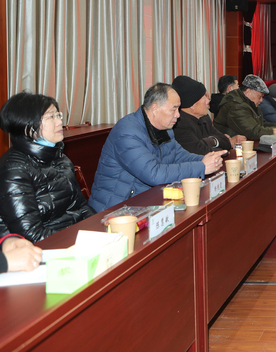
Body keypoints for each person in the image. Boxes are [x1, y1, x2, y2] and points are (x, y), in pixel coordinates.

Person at [90, 83, 225, 212]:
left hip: (146, 202)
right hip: (115, 209)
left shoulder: (165, 128)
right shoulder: (127, 132)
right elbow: (154, 174)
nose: (178, 114)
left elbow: (179, 155)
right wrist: (201, 167)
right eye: (174, 109)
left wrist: (207, 159)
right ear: (155, 108)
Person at [0, 92, 96, 242]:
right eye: (51, 117)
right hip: (45, 248)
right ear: (27, 127)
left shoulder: (61, 158)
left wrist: (99, 228)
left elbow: (82, 207)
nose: (59, 122)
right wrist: (80, 239)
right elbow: (32, 235)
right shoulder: (13, 170)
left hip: (73, 238)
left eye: (58, 115)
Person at [172, 75, 246, 155]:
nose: (208, 101)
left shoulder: (204, 118)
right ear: (192, 105)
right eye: (204, 98)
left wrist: (211, 141)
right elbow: (201, 152)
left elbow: (226, 141)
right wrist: (215, 142)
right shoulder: (179, 125)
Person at [214, 74, 276, 140]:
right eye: (259, 96)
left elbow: (262, 124)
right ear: (248, 92)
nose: (261, 100)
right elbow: (253, 132)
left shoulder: (250, 103)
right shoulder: (236, 106)